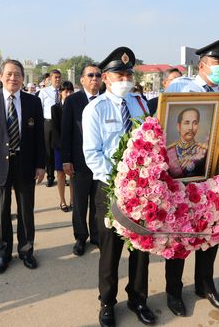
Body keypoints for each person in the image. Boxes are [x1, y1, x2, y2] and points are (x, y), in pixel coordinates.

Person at [82, 47, 154, 327]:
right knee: (110, 250)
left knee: (141, 248)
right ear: (106, 78)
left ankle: (138, 298)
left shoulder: (140, 105)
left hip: (142, 190)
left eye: (128, 74)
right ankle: (107, 302)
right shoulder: (95, 109)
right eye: (118, 74)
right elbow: (93, 154)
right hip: (111, 189)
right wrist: (120, 182)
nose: (124, 78)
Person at [164, 38, 219, 316]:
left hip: (213, 176)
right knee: (180, 233)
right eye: (218, 63)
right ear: (203, 64)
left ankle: (205, 284)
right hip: (183, 175)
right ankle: (173, 291)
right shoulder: (181, 87)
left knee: (211, 231)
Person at [0, 59, 46, 274]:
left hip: (25, 164)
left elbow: (39, 138)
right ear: (0, 76)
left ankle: (26, 251)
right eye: (8, 74)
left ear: (23, 78)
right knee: (2, 212)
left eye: (17, 74)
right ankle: (3, 253)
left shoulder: (32, 102)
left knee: (26, 211)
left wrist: (41, 165)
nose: (13, 78)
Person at [62, 64, 102, 256]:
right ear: (82, 80)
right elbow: (66, 132)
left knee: (98, 201)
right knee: (79, 202)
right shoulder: (72, 101)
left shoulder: (106, 100)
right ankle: (80, 237)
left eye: (98, 75)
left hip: (101, 162)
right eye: (90, 75)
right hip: (79, 161)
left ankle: (96, 235)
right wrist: (66, 159)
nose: (95, 78)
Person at [51, 80, 74, 212]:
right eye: (65, 91)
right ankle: (62, 201)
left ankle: (72, 199)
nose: (68, 93)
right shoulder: (55, 108)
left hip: (73, 146)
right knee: (60, 174)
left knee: (72, 174)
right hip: (59, 146)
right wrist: (63, 146)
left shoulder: (76, 107)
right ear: (60, 93)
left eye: (70, 90)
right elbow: (55, 129)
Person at [166, 108, 208, 179]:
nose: (191, 128)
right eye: (186, 123)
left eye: (195, 123)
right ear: (179, 126)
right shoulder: (168, 152)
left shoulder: (204, 150)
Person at [38, 69, 62, 187]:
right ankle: (50, 176)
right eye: (55, 77)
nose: (57, 79)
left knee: (61, 150)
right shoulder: (44, 92)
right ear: (50, 79)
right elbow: (39, 109)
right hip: (48, 123)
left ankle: (62, 175)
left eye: (59, 77)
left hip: (61, 124)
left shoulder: (64, 91)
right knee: (49, 151)